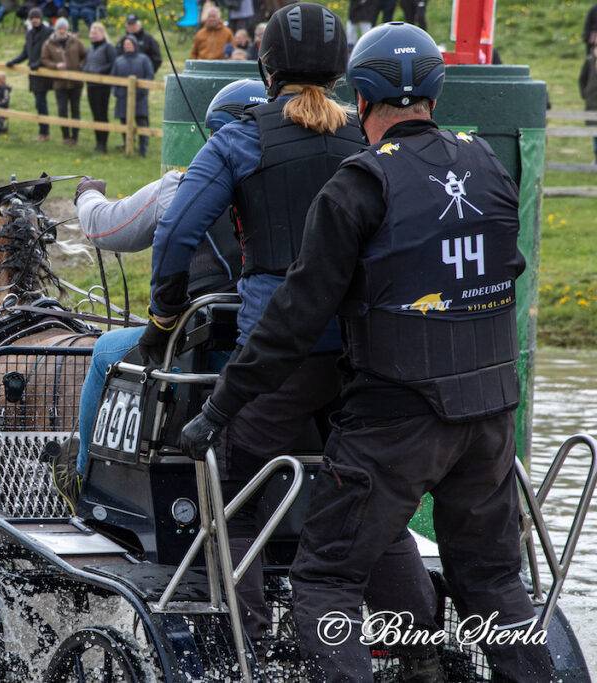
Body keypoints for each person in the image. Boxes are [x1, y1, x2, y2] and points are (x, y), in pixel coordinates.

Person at [177, 19, 556, 681]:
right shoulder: (487, 164)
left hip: (397, 415)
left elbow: (294, 318)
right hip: (492, 412)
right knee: (495, 580)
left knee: (325, 578)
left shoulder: (361, 182)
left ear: (361, 98)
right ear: (435, 94)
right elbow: (506, 269)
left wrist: (218, 409)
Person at [144, 5, 441, 663]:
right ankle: (421, 649)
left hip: (275, 358)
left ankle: (243, 652)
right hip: (365, 359)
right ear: (344, 74)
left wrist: (164, 317)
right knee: (371, 498)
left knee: (234, 496)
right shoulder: (370, 140)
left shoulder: (241, 139)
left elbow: (175, 235)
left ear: (265, 68)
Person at [64, 79, 265, 486]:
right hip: (270, 345)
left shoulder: (181, 185)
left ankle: (82, 477)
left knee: (104, 351)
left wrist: (87, 194)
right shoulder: (293, 188)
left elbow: (104, 226)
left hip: (199, 346)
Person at [6, 7, 53, 141]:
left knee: (41, 102)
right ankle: (43, 131)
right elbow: (25, 53)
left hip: (43, 72)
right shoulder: (29, 34)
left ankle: (44, 132)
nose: (34, 20)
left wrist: (39, 63)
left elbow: (51, 52)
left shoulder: (48, 32)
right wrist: (13, 61)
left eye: (36, 18)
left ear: (41, 18)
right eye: (32, 18)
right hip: (33, 73)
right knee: (39, 103)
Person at [42, 17, 86, 146]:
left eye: (64, 28)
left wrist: (80, 66)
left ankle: (75, 137)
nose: (62, 31)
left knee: (75, 109)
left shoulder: (75, 41)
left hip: (76, 82)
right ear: (56, 29)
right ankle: (66, 136)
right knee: (62, 110)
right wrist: (55, 66)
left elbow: (85, 55)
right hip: (59, 83)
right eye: (60, 28)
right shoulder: (48, 43)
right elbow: (44, 59)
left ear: (67, 29)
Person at [111, 34, 153, 156]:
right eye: (125, 44)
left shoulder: (143, 59)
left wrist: (143, 91)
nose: (127, 46)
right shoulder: (119, 61)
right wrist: (116, 92)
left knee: (142, 122)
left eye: (129, 44)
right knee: (124, 122)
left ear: (134, 45)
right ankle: (127, 145)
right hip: (122, 98)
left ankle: (143, 149)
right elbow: (113, 78)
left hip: (140, 98)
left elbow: (149, 75)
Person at [83, 21, 116, 153]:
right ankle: (98, 142)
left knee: (102, 114)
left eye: (95, 33)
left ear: (102, 33)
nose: (93, 35)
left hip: (102, 86)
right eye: (91, 33)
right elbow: (87, 63)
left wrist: (99, 72)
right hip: (91, 85)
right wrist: (85, 70)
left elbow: (112, 64)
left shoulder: (108, 47)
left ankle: (103, 143)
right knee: (95, 114)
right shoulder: (90, 48)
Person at [581, 45, 597, 164]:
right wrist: (585, 94)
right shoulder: (589, 61)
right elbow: (582, 79)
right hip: (592, 103)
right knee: (595, 132)